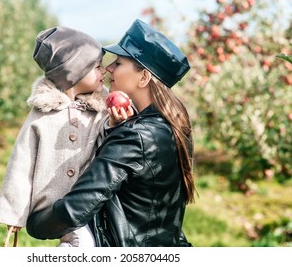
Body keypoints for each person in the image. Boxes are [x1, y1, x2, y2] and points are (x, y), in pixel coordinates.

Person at [25, 19, 195, 247]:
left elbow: (76, 207)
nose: (109, 68)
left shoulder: (136, 136)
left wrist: (35, 223)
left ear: (143, 77)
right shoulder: (174, 125)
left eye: (119, 63)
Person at [0, 25, 108, 247]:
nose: (103, 71)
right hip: (51, 208)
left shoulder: (101, 109)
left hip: (87, 203)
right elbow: (22, 162)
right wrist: (14, 214)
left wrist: (115, 121)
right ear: (74, 73)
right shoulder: (43, 115)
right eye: (97, 66)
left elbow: (110, 145)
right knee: (82, 242)